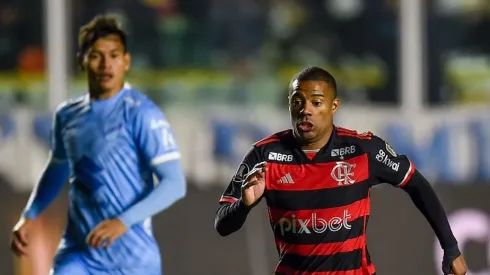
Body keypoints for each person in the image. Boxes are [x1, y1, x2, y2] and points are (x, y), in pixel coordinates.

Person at [214, 66, 467, 275]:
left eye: (316, 102)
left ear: (334, 106)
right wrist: (244, 204)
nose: (306, 110)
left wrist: (451, 247)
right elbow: (222, 224)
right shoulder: (264, 155)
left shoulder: (362, 150)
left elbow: (416, 183)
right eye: (298, 102)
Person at [10, 15, 186, 275]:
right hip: (79, 254)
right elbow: (57, 169)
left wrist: (121, 222)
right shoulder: (67, 116)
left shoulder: (142, 114)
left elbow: (174, 184)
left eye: (114, 55)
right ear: (82, 61)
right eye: (96, 56)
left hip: (133, 260)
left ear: (126, 62)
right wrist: (31, 213)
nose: (106, 64)